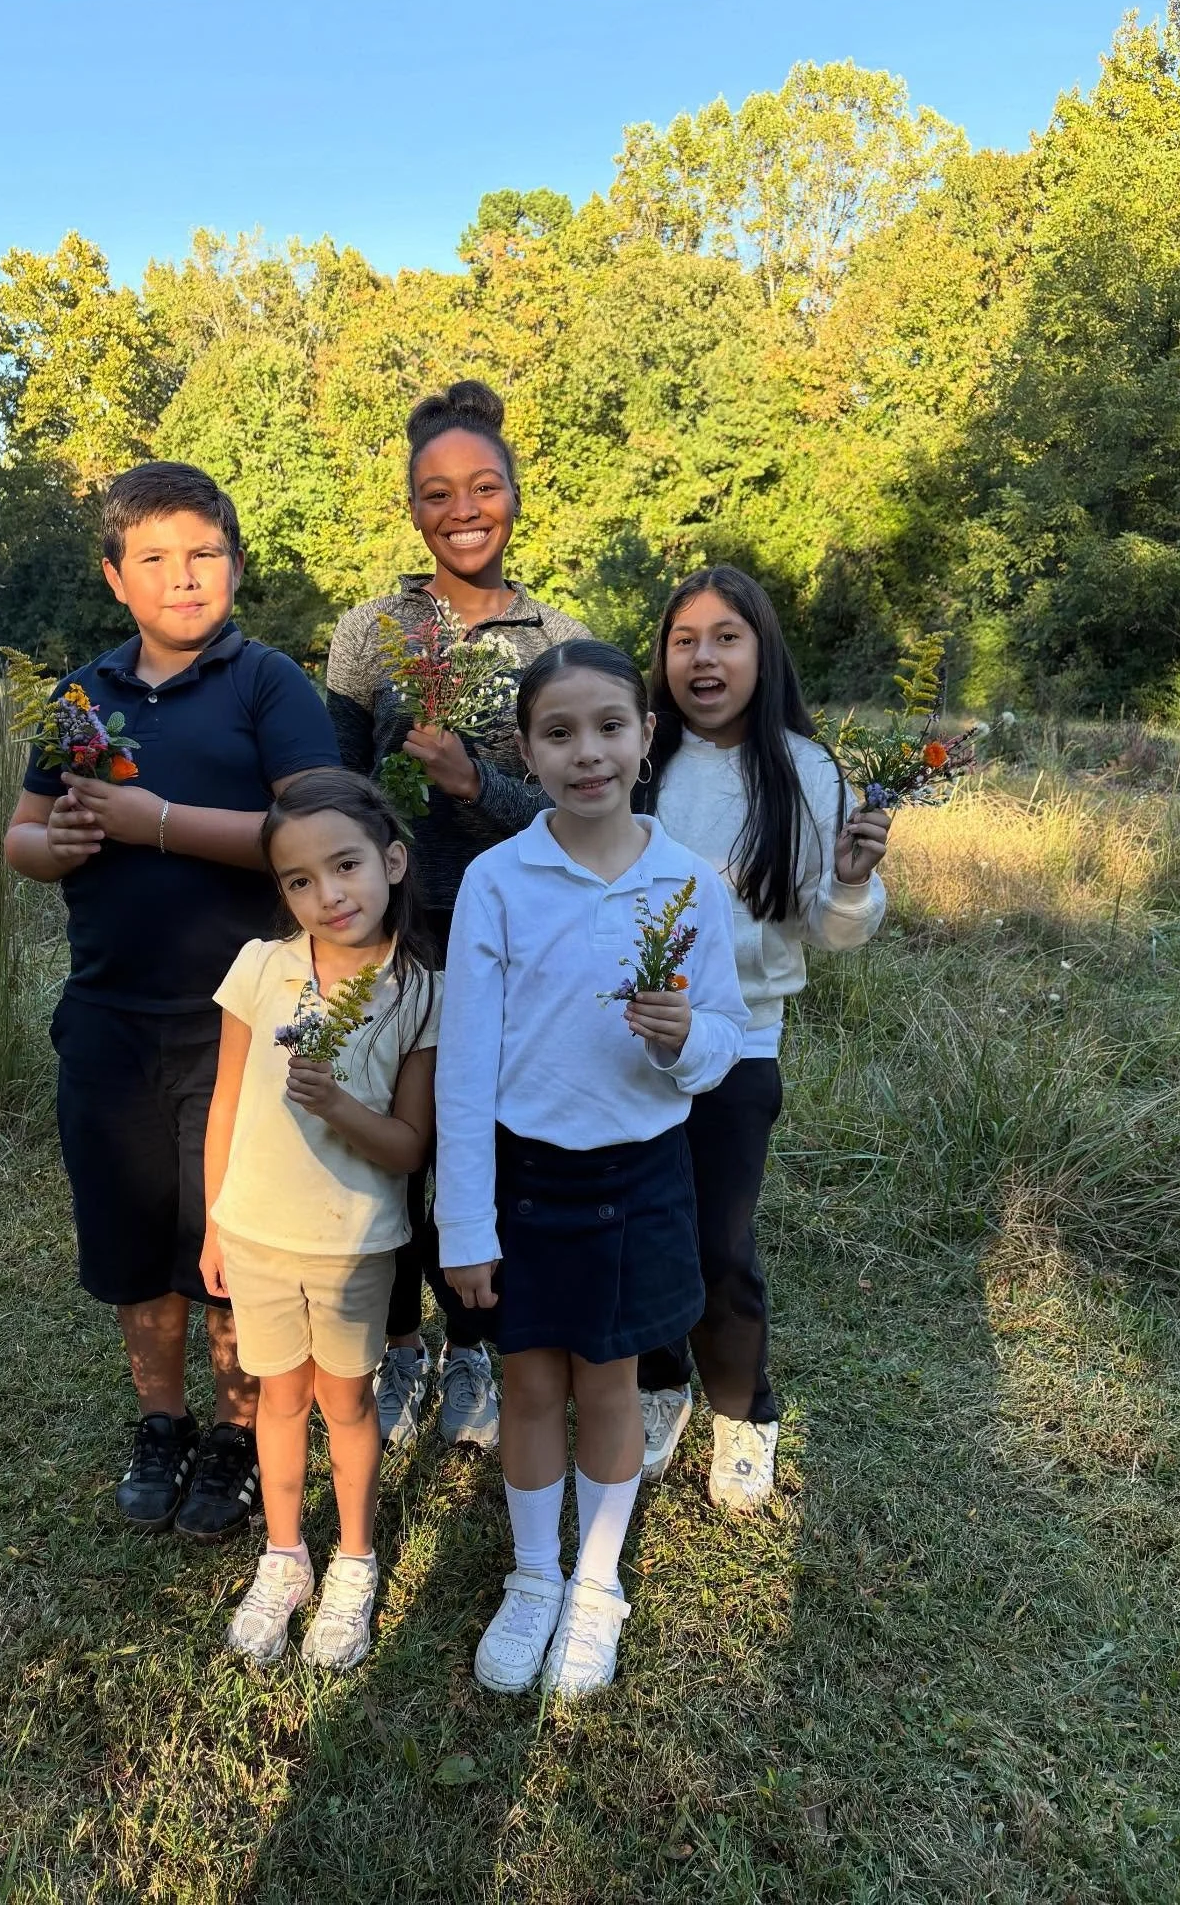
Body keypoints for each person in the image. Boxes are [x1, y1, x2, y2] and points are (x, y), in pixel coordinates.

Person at [5, 461, 341, 1541]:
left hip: (237, 1027)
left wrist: (154, 820)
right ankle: (163, 1422)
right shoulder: (81, 697)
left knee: (233, 1246)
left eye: (204, 555)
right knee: (134, 1242)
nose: (182, 577)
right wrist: (52, 843)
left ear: (236, 567)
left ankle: (240, 1437)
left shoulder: (268, 685)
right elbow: (22, 834)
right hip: (108, 1019)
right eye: (153, 558)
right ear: (114, 576)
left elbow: (312, 838)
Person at [435, 640, 748, 1697]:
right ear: (525, 749)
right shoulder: (497, 881)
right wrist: (465, 1227)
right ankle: (533, 1577)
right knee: (529, 1381)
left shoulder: (691, 884)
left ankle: (597, 1585)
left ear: (646, 736)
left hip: (641, 1169)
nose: (587, 754)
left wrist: (680, 1037)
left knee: (610, 1380)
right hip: (525, 1177)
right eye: (559, 734)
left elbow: (724, 1046)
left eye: (609, 727)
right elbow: (467, 1069)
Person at [325, 379, 585, 1456]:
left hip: (515, 945)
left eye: (484, 487)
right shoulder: (370, 633)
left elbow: (580, 824)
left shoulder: (558, 639)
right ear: (412, 506)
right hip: (395, 942)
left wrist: (476, 783)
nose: (462, 508)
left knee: (486, 1149)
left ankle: (475, 1348)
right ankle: (397, 1344)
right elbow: (329, 800)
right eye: (438, 492)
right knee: (390, 1147)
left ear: (516, 495)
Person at [633, 566, 891, 1511]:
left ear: (762, 650)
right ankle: (659, 1388)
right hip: (634, 1039)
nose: (704, 657)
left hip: (741, 1044)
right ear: (661, 661)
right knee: (642, 1226)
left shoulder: (804, 770)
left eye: (726, 637)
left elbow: (832, 927)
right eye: (684, 639)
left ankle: (744, 1413)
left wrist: (855, 880)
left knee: (717, 1242)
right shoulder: (639, 758)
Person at [200, 770, 441, 1667]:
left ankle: (355, 1561)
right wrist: (216, 1223)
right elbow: (225, 1105)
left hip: (353, 1245)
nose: (326, 895)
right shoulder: (261, 969)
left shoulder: (420, 991)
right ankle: (284, 1554)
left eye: (345, 866)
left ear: (393, 860)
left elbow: (411, 1146)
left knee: (346, 1403)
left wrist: (336, 1103)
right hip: (256, 1231)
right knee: (277, 1399)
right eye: (299, 880)